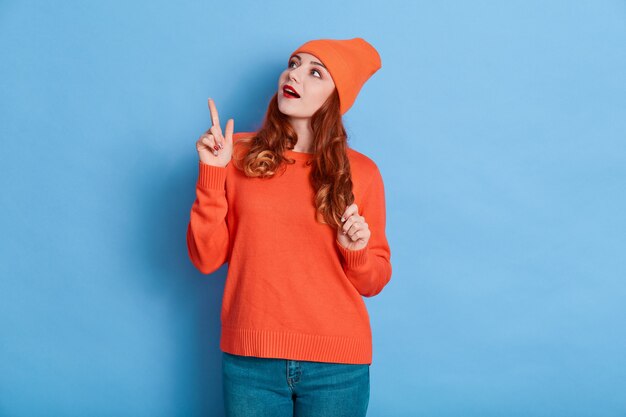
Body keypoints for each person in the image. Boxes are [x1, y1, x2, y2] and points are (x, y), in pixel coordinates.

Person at [186, 37, 392, 417]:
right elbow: (206, 257)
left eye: (315, 72)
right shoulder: (236, 154)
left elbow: (374, 280)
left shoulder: (362, 173)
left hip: (337, 365)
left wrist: (356, 250)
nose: (293, 74)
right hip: (251, 362)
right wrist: (213, 174)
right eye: (294, 63)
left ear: (336, 97)